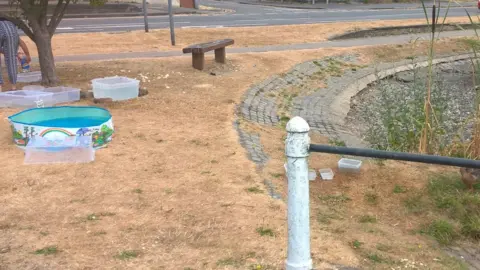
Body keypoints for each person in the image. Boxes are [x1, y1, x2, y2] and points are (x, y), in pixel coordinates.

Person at [0, 19, 31, 91]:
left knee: (10, 55)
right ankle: (13, 88)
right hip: (11, 30)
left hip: (6, 27)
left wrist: (14, 53)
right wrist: (27, 55)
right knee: (11, 60)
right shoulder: (10, 25)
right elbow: (22, 43)